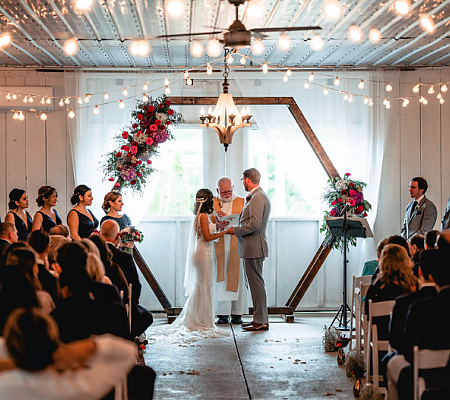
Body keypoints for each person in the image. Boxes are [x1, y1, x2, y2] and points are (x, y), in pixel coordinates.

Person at [0, 308, 143, 400]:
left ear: (10, 348)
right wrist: (68, 352)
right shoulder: (78, 387)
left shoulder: (4, 387)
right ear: (55, 343)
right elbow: (126, 351)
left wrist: (18, 362)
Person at [228, 168, 271, 332]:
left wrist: (236, 230)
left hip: (254, 246)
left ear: (247, 180)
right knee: (254, 284)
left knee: (257, 284)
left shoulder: (258, 197)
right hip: (251, 247)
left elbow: (255, 224)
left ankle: (261, 320)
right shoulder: (256, 196)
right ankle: (258, 319)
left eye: (242, 180)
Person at [100, 220, 151, 337]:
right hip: (120, 306)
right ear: (118, 236)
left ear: (99, 235)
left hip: (94, 307)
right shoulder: (124, 258)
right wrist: (132, 307)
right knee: (147, 317)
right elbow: (135, 285)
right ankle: (125, 336)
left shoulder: (92, 255)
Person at [211, 177, 247, 325]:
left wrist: (233, 220)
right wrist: (216, 219)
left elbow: (246, 221)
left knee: (236, 276)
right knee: (221, 278)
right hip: (219, 243)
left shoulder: (242, 201)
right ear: (218, 190)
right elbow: (207, 221)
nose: (227, 194)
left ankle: (237, 313)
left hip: (235, 243)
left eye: (229, 191)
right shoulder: (212, 202)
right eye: (223, 191)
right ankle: (222, 314)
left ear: (233, 187)